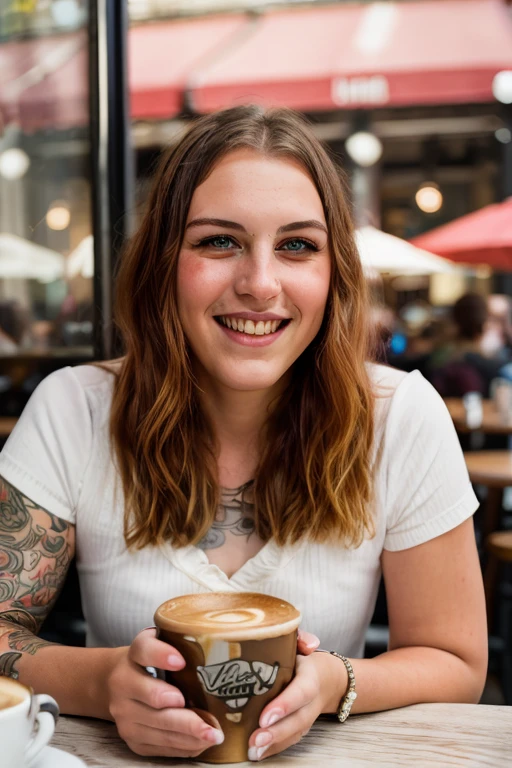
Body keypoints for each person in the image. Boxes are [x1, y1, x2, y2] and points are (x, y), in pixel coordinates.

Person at [0, 106, 487, 762]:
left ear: (333, 271)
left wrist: (336, 682)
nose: (260, 284)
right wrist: (101, 682)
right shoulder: (73, 411)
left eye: (296, 246)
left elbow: (457, 662)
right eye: (219, 241)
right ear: (163, 261)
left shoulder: (400, 418)